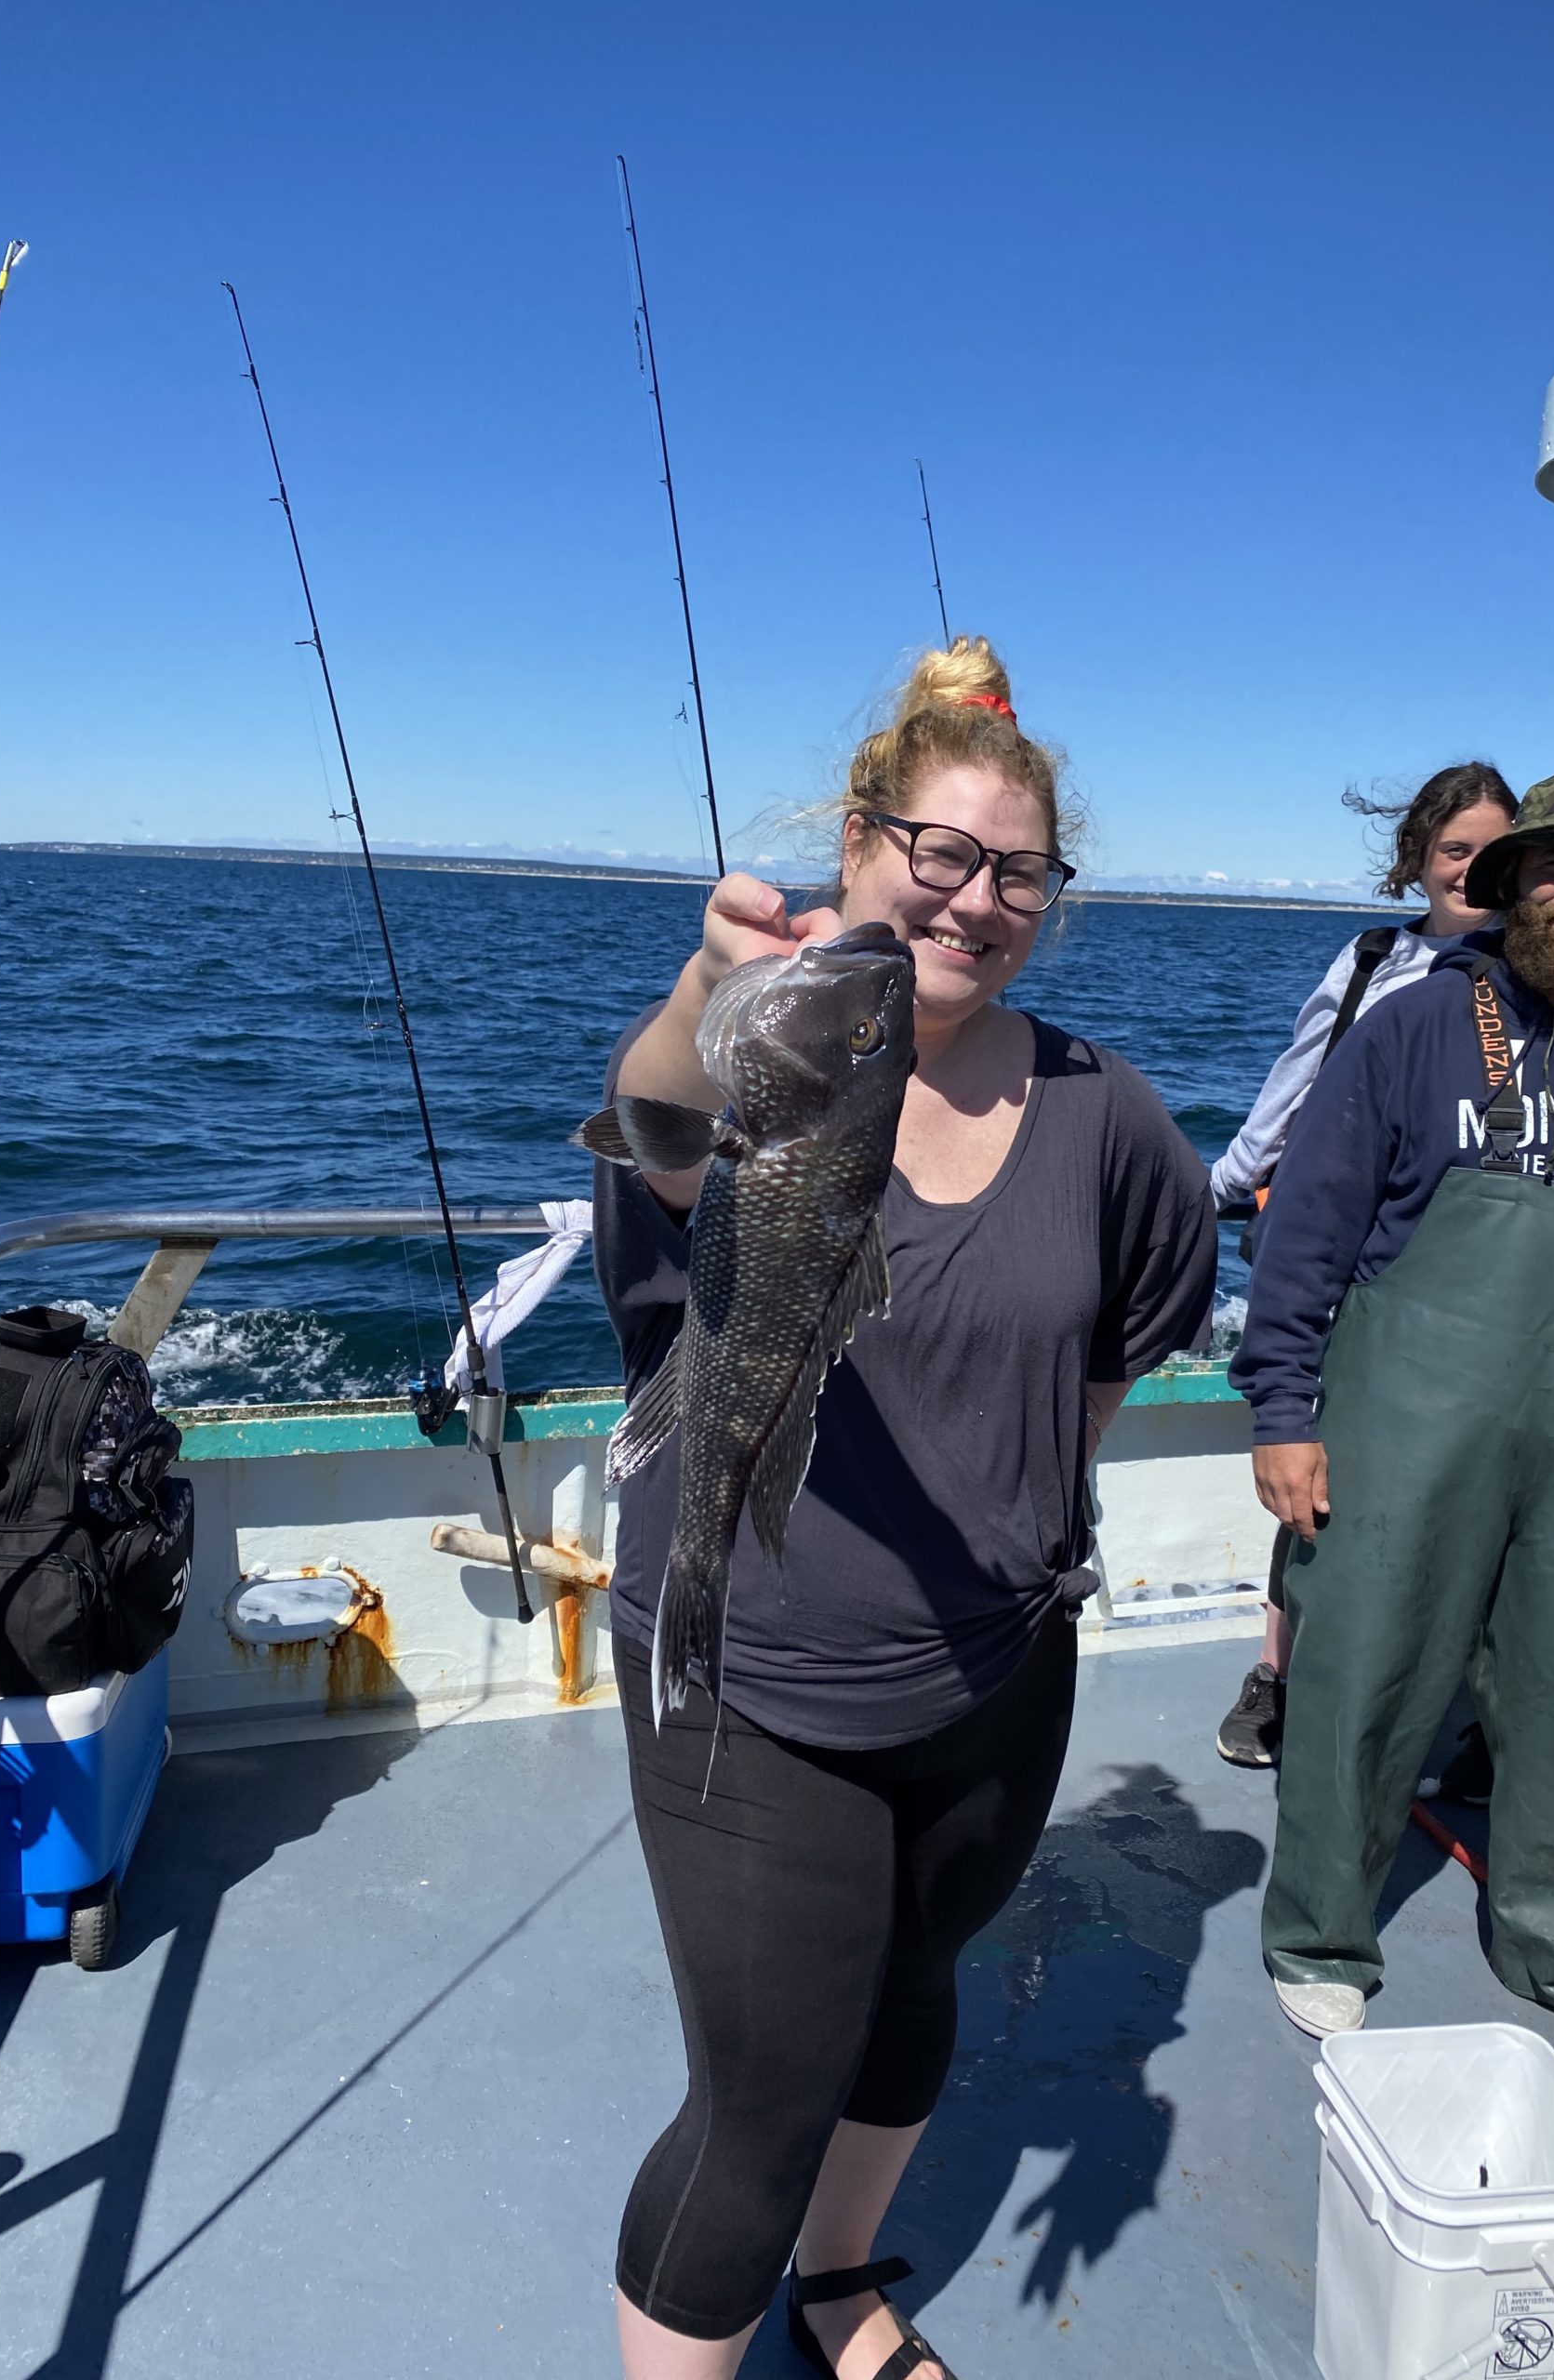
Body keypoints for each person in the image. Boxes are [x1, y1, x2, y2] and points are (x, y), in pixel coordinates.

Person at [592, 638, 1216, 2380]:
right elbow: (657, 1114)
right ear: (858, 846)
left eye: (1016, 871)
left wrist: (1017, 1516)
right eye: (933, 853)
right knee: (756, 2110)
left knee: (919, 1984)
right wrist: (707, 984)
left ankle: (841, 2282)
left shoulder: (1112, 1114)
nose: (971, 898)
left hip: (997, 1675)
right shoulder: (767, 1054)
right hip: (755, 1671)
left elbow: (1109, 1365)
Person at [1231, 770, 1554, 2056]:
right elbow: (1307, 1240)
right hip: (1409, 1421)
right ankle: (1321, 1932)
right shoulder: (1408, 1030)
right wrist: (1283, 1409)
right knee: (1366, 1668)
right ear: (1515, 884)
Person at [1211, 762, 1519, 1767]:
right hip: (1360, 1273)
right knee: (1317, 1479)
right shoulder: (1370, 962)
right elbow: (1287, 1095)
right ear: (1418, 860)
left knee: (1490, 1494)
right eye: (1453, 849)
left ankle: (1482, 1707)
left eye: (1493, 850)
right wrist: (1216, 1185)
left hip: (1492, 1282)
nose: (1472, 869)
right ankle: (1280, 1672)